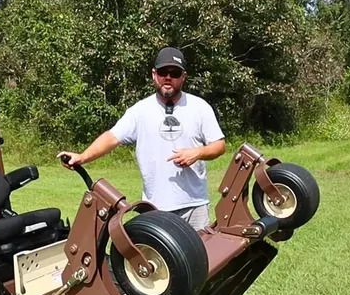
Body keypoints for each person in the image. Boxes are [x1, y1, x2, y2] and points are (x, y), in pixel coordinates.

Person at [57, 47, 226, 230]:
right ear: (154, 75)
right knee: (156, 258)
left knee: (200, 257)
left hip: (194, 206)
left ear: (183, 76)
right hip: (155, 207)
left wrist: (198, 153)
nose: (168, 77)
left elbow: (219, 145)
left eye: (174, 73)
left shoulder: (199, 107)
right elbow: (112, 137)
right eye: (163, 72)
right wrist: (82, 157)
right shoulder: (140, 111)